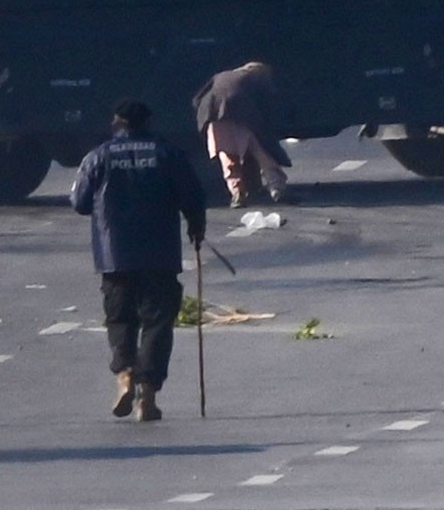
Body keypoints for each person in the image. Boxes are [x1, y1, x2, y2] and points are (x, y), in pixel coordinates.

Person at [69, 99, 210, 423]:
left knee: (120, 320)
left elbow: (79, 201)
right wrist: (196, 227)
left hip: (113, 255)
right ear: (148, 122)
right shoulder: (168, 154)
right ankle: (147, 393)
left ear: (116, 122)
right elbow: (193, 195)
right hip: (160, 254)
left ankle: (125, 375)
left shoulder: (98, 156)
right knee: (157, 322)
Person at [192, 61, 291, 206]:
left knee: (228, 158)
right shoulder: (255, 79)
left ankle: (237, 193)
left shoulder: (220, 76)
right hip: (241, 115)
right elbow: (266, 103)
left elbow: (197, 100)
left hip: (214, 116)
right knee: (262, 153)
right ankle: (277, 189)